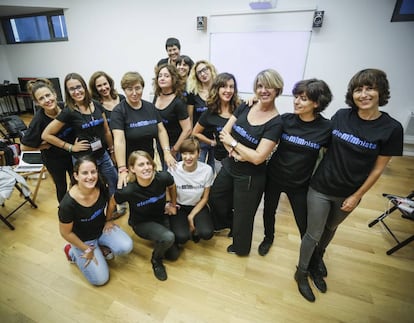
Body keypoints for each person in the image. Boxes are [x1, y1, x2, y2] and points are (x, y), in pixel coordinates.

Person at [294, 69, 404, 302]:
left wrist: (357, 196)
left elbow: (378, 169)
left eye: (370, 88)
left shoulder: (391, 128)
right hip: (321, 187)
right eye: (358, 89)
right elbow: (322, 145)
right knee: (313, 233)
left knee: (331, 228)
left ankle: (316, 261)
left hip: (349, 193)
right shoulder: (342, 116)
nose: (363, 94)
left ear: (381, 92)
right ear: (352, 94)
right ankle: (301, 273)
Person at [208, 69, 284, 256]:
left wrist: (234, 143)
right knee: (216, 196)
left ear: (278, 90)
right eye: (259, 86)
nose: (263, 90)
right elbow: (224, 133)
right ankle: (230, 224)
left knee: (244, 214)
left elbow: (258, 157)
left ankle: (240, 247)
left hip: (250, 175)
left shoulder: (276, 123)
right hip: (230, 163)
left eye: (269, 86)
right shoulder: (245, 106)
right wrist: (235, 152)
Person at [258, 79, 333, 257]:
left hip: (300, 183)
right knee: (269, 211)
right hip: (274, 176)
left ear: (317, 103)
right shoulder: (285, 120)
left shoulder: (326, 128)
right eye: (296, 97)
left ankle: (311, 255)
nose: (296, 101)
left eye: (303, 98)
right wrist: (254, 102)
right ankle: (268, 238)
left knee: (304, 222)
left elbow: (331, 157)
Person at [41, 73, 118, 213]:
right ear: (68, 92)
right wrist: (70, 147)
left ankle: (113, 208)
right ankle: (97, 213)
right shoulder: (68, 112)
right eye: (72, 89)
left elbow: (106, 131)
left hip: (103, 155)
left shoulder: (95, 104)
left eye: (79, 87)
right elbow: (46, 135)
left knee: (114, 181)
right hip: (84, 159)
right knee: (91, 188)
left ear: (84, 87)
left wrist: (112, 150)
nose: (76, 91)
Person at [59, 155, 133, 286]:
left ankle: (101, 246)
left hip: (101, 229)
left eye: (93, 172)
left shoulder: (100, 185)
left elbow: (111, 202)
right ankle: (72, 252)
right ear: (76, 176)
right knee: (100, 280)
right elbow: (65, 233)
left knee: (126, 246)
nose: (90, 176)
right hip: (83, 241)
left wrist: (109, 220)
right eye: (85, 173)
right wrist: (85, 248)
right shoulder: (67, 204)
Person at [114, 150, 180, 281]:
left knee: (173, 255)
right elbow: (112, 202)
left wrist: (172, 204)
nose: (146, 167)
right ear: (132, 169)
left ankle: (159, 237)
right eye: (141, 165)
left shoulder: (163, 177)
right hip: (141, 223)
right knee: (168, 237)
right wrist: (108, 221)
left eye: (148, 163)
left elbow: (172, 186)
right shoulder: (128, 190)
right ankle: (156, 260)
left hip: (160, 216)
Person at [110, 71, 176, 187]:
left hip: (148, 162)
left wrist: (167, 152)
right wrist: (122, 169)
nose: (134, 93)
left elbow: (161, 130)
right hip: (130, 164)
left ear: (142, 88)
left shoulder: (150, 107)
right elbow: (119, 140)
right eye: (129, 89)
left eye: (138, 88)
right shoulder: (119, 111)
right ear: (124, 90)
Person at [20, 78, 74, 203]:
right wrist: (44, 146)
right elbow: (23, 147)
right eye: (41, 98)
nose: (47, 100)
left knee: (76, 182)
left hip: (72, 154)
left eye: (48, 95)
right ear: (37, 103)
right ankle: (64, 212)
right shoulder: (38, 121)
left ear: (54, 94)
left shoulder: (65, 107)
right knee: (62, 186)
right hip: (54, 159)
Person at [89, 71, 127, 218]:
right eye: (99, 86)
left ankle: (126, 197)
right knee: (113, 176)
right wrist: (112, 151)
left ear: (110, 83)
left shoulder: (122, 98)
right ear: (95, 88)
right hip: (108, 147)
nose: (103, 88)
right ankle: (117, 203)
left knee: (126, 173)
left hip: (125, 142)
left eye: (105, 84)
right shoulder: (97, 105)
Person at [167, 137, 215, 245]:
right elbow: (167, 190)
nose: (188, 157)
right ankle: (184, 227)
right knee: (181, 237)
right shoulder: (173, 169)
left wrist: (191, 216)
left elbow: (205, 198)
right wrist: (171, 205)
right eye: (184, 154)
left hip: (197, 205)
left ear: (199, 153)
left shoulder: (207, 170)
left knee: (207, 233)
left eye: (192, 153)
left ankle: (193, 225)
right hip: (179, 206)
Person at [192, 72, 241, 174]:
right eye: (224, 86)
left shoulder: (240, 108)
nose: (228, 90)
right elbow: (195, 132)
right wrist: (211, 142)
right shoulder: (210, 113)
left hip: (241, 158)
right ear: (217, 89)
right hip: (220, 160)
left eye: (231, 87)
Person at [153, 64, 192, 164]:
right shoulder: (156, 96)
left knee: (172, 175)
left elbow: (187, 129)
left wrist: (175, 149)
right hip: (160, 144)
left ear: (173, 79)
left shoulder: (178, 102)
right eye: (160, 76)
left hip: (174, 145)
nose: (162, 78)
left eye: (166, 76)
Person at [186, 60, 218, 169]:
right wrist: (191, 139)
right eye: (199, 72)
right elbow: (190, 119)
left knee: (216, 171)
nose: (203, 74)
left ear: (211, 69)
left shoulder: (219, 90)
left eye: (205, 70)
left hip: (217, 139)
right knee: (198, 170)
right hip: (199, 139)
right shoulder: (193, 93)